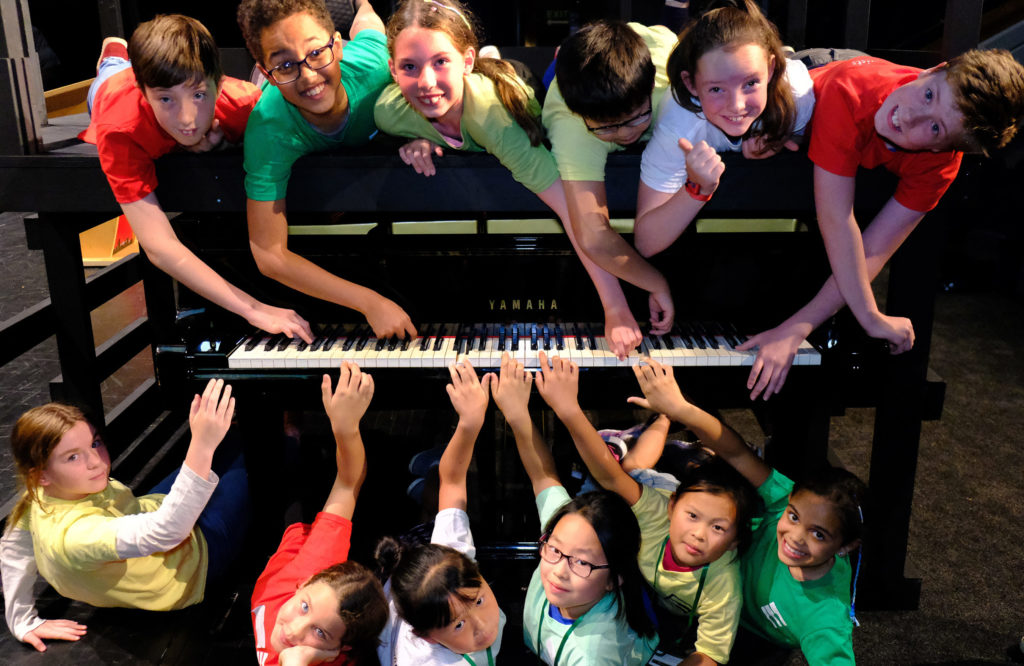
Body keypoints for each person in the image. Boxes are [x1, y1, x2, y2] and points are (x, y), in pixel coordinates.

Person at [372, 0, 653, 360]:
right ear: (393, 70)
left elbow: (573, 214)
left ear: (466, 62)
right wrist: (415, 139)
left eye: (441, 61)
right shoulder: (388, 112)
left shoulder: (496, 122)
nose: (425, 82)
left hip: (520, 90)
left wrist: (614, 307)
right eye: (409, 67)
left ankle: (496, 62)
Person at [737, 48, 1024, 400]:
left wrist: (796, 327)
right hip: (825, 74)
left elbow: (872, 250)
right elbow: (836, 220)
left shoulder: (940, 166)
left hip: (859, 112)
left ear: (945, 149)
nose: (911, 116)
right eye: (929, 95)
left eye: (935, 127)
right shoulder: (851, 91)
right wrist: (871, 316)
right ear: (931, 70)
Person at [79, 15, 312, 342]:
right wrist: (254, 309)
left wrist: (234, 142)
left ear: (219, 82)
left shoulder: (243, 102)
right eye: (166, 99)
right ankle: (115, 54)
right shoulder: (120, 127)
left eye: (199, 95)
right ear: (145, 93)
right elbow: (159, 246)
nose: (187, 119)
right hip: (110, 90)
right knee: (108, 75)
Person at [629, 356, 869, 664]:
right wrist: (681, 411)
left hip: (750, 634)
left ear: (846, 546)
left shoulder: (825, 616)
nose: (794, 537)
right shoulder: (785, 498)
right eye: (794, 517)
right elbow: (737, 453)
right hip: (706, 578)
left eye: (818, 534)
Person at [534, 349, 759, 665]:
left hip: (681, 497)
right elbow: (608, 476)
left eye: (718, 528)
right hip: (660, 490)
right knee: (631, 468)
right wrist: (569, 409)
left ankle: (691, 445)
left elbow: (710, 654)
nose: (698, 535)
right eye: (692, 517)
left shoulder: (724, 585)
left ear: (735, 540)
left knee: (649, 468)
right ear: (672, 509)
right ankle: (664, 419)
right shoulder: (658, 511)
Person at [1, 379, 246, 652]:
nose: (96, 461)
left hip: (155, 513)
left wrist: (20, 619)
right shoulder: (75, 536)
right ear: (41, 475)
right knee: (251, 464)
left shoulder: (38, 493)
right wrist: (201, 444)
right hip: (191, 562)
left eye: (94, 443)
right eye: (72, 457)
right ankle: (291, 438)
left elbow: (14, 545)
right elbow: (166, 531)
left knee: (229, 444)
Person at [236, 0, 416, 340]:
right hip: (273, 104)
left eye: (317, 53)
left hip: (365, 50)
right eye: (285, 65)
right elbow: (269, 255)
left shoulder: (376, 69)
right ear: (266, 70)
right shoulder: (268, 127)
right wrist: (369, 302)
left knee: (371, 26)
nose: (308, 76)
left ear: (337, 46)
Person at [490, 351, 659, 664]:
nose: (558, 571)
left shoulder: (593, 655)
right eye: (553, 549)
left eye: (582, 563)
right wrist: (516, 414)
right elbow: (543, 476)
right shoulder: (571, 533)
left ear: (614, 580)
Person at [634, 0, 815, 258]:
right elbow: (646, 240)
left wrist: (782, 135)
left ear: (771, 69)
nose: (737, 105)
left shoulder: (797, 94)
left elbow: (818, 138)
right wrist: (696, 189)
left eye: (751, 82)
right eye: (716, 89)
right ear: (692, 85)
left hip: (817, 63)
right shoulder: (680, 126)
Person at [542, 19, 678, 358]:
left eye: (636, 118)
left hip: (657, 41)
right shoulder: (571, 121)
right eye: (606, 128)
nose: (625, 134)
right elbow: (592, 235)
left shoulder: (672, 79)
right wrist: (655, 282)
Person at [250, 361, 387, 666]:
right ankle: (294, 436)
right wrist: (344, 427)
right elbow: (349, 482)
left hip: (287, 555)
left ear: (341, 651)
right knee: (296, 472)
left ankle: (295, 438)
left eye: (321, 634)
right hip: (298, 544)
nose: (293, 631)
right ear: (306, 583)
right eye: (303, 607)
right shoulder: (316, 566)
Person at [374, 358, 505, 666]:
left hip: (406, 559)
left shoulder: (452, 573)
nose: (482, 626)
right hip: (400, 582)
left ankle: (428, 474)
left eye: (480, 599)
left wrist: (470, 422)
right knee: (429, 517)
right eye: (458, 625)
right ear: (428, 637)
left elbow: (453, 482)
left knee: (435, 510)